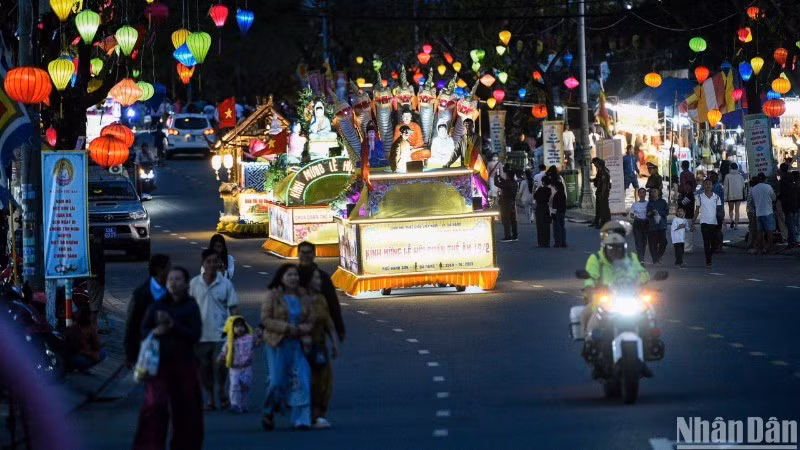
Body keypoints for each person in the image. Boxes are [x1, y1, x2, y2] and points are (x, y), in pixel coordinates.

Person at [133, 266, 203, 450]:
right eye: (171, 279)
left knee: (187, 409)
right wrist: (156, 331)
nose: (174, 283)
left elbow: (195, 334)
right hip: (159, 365)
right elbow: (144, 330)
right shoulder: (157, 306)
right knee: (154, 406)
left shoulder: (191, 306)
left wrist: (174, 326)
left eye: (178, 279)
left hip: (184, 363)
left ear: (186, 284)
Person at [260, 264, 315, 431]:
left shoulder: (304, 296)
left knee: (303, 381)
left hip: (298, 344)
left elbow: (310, 320)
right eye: (289, 275)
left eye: (295, 275)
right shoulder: (273, 295)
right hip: (277, 343)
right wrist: (286, 327)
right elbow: (266, 320)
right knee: (276, 381)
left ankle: (301, 419)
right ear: (282, 278)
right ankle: (268, 410)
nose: (293, 278)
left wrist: (300, 329)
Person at [190, 249, 239, 411]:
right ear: (203, 264)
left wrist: (237, 328)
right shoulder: (194, 284)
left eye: (215, 261)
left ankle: (221, 389)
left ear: (220, 263)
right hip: (201, 335)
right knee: (205, 368)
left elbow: (233, 308)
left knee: (221, 366)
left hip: (222, 334)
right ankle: (211, 398)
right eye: (208, 261)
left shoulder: (226, 284)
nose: (212, 265)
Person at [579, 227, 649, 336]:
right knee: (590, 323)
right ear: (605, 247)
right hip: (604, 301)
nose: (615, 250)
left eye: (619, 247)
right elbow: (590, 277)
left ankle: (651, 342)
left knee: (650, 315)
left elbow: (641, 272)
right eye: (611, 247)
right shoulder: (596, 258)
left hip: (630, 297)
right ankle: (588, 342)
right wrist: (590, 287)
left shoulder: (631, 257)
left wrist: (642, 281)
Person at [305, 269, 339, 429]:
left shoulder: (321, 299)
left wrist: (333, 343)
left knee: (326, 382)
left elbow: (328, 323)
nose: (319, 282)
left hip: (320, 345)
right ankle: (314, 415)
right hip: (304, 347)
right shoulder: (301, 300)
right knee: (312, 382)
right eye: (316, 279)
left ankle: (321, 413)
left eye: (320, 279)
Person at [124, 254, 172, 366]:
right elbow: (132, 325)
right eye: (168, 267)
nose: (171, 271)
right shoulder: (141, 294)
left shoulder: (174, 291)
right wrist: (130, 355)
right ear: (159, 270)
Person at [296, 241, 345, 342]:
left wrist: (339, 329)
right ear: (298, 254)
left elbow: (333, 304)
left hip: (316, 329)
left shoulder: (322, 277)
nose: (305, 255)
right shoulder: (292, 275)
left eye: (308, 252)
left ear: (314, 254)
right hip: (295, 330)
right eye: (302, 252)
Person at [217, 316, 258, 413]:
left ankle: (243, 404)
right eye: (236, 326)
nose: (240, 328)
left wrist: (259, 337)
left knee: (245, 386)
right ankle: (235, 404)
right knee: (234, 385)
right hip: (234, 367)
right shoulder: (230, 341)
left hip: (246, 366)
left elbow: (257, 342)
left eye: (242, 326)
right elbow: (224, 350)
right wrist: (221, 357)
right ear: (232, 328)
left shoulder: (249, 338)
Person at [691, 179, 723, 267]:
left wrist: (722, 221)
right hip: (704, 223)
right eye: (706, 184)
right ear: (703, 186)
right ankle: (708, 260)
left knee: (715, 243)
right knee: (706, 242)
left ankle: (709, 254)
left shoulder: (716, 197)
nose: (708, 186)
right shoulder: (700, 197)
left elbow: (719, 210)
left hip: (714, 223)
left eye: (710, 184)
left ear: (712, 186)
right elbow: (697, 211)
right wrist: (693, 223)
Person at [749, 172, 777, 254]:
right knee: (769, 232)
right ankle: (770, 249)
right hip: (768, 212)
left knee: (759, 232)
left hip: (758, 213)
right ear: (765, 179)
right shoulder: (768, 187)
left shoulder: (754, 189)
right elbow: (774, 198)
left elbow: (753, 202)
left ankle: (760, 249)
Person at [87, 228, 107, 332]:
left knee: (94, 307)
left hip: (93, 279)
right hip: (96, 280)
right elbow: (98, 266)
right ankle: (93, 328)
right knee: (94, 308)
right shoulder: (96, 248)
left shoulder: (91, 247)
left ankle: (94, 327)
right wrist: (100, 279)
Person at [678, 161, 697, 252]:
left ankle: (687, 247)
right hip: (689, 212)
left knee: (687, 230)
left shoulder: (682, 174)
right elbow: (695, 184)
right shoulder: (691, 174)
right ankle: (687, 246)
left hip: (687, 213)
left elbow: (682, 185)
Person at [778, 163, 799, 248]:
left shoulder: (783, 180)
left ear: (781, 170)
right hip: (794, 204)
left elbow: (784, 194)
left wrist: (779, 197)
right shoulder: (792, 179)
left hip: (788, 205)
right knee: (794, 223)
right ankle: (794, 240)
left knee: (789, 224)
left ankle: (792, 241)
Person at [646, 187, 669, 264]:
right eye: (652, 192)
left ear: (658, 192)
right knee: (653, 244)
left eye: (655, 191)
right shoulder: (650, 203)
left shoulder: (663, 202)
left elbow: (666, 212)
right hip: (652, 226)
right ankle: (654, 259)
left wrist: (658, 212)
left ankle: (658, 256)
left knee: (663, 242)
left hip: (662, 226)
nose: (653, 193)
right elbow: (647, 214)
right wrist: (652, 212)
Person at [497, 166, 519, 242]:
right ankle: (515, 235)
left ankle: (507, 236)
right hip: (512, 203)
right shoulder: (515, 183)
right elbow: (505, 183)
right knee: (513, 220)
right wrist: (501, 178)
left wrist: (496, 177)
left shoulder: (507, 183)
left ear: (508, 176)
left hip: (506, 204)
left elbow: (496, 183)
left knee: (506, 219)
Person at [629, 187, 649, 264]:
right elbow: (631, 215)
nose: (642, 194)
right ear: (638, 194)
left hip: (646, 223)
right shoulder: (635, 204)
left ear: (645, 194)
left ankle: (642, 257)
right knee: (638, 241)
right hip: (637, 224)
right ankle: (640, 258)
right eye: (640, 192)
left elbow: (651, 213)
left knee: (644, 242)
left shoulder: (648, 204)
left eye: (643, 192)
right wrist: (635, 217)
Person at [590, 158, 611, 228]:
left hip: (603, 193)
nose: (594, 165)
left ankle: (604, 223)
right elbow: (597, 179)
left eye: (594, 163)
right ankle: (596, 222)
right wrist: (593, 180)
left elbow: (604, 184)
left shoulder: (604, 172)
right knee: (598, 208)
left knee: (604, 209)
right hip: (600, 192)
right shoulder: (600, 171)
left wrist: (602, 193)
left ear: (598, 163)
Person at [723, 163, 745, 229]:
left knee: (731, 209)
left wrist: (725, 196)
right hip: (739, 195)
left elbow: (726, 187)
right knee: (737, 210)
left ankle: (732, 220)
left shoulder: (727, 176)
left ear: (730, 168)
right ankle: (736, 225)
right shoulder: (740, 176)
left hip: (730, 195)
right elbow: (743, 186)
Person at [534, 176, 553, 248]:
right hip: (546, 207)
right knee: (546, 226)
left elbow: (535, 196)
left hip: (539, 207)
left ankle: (540, 242)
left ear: (543, 182)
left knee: (540, 226)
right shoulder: (549, 190)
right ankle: (546, 242)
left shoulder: (540, 189)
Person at [709, 171, 725, 251]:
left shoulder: (718, 187)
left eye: (712, 177)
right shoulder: (712, 186)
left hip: (717, 211)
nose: (711, 178)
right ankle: (715, 245)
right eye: (710, 177)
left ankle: (719, 246)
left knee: (717, 229)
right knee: (713, 229)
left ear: (716, 177)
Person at [552, 180, 567, 248]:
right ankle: (563, 242)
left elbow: (554, 206)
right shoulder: (563, 194)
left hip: (557, 212)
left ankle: (557, 242)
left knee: (556, 228)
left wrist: (553, 214)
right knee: (562, 227)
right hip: (562, 212)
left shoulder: (556, 195)